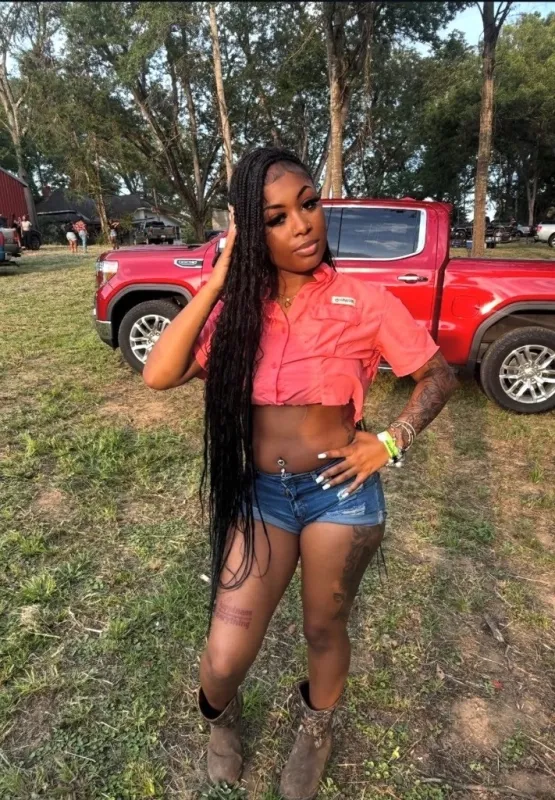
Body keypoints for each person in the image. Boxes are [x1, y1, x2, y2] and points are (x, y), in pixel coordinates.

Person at [143, 147, 459, 798]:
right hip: (261, 497)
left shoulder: (362, 300)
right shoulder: (236, 316)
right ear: (251, 233)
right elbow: (159, 373)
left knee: (323, 626)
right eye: (277, 217)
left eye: (309, 204)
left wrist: (389, 442)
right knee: (225, 655)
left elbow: (438, 374)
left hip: (339, 496)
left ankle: (316, 730)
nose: (303, 224)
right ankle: (221, 718)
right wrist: (220, 278)